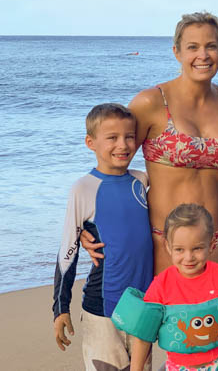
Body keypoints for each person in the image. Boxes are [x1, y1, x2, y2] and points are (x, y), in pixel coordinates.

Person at [82, 12, 218, 274]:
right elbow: (112, 165)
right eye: (193, 47)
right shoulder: (151, 102)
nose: (203, 55)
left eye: (211, 46)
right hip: (167, 240)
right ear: (177, 52)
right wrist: (85, 224)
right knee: (169, 304)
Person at [52, 103, 154, 370]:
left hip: (144, 305)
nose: (123, 145)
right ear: (91, 143)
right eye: (112, 138)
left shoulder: (142, 181)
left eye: (129, 136)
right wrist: (61, 308)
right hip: (103, 308)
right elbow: (68, 251)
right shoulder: (83, 188)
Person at [130, 203, 218, 371]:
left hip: (217, 364)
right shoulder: (161, 285)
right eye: (179, 249)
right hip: (178, 366)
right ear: (168, 246)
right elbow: (143, 334)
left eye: (197, 248)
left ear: (212, 244)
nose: (189, 257)